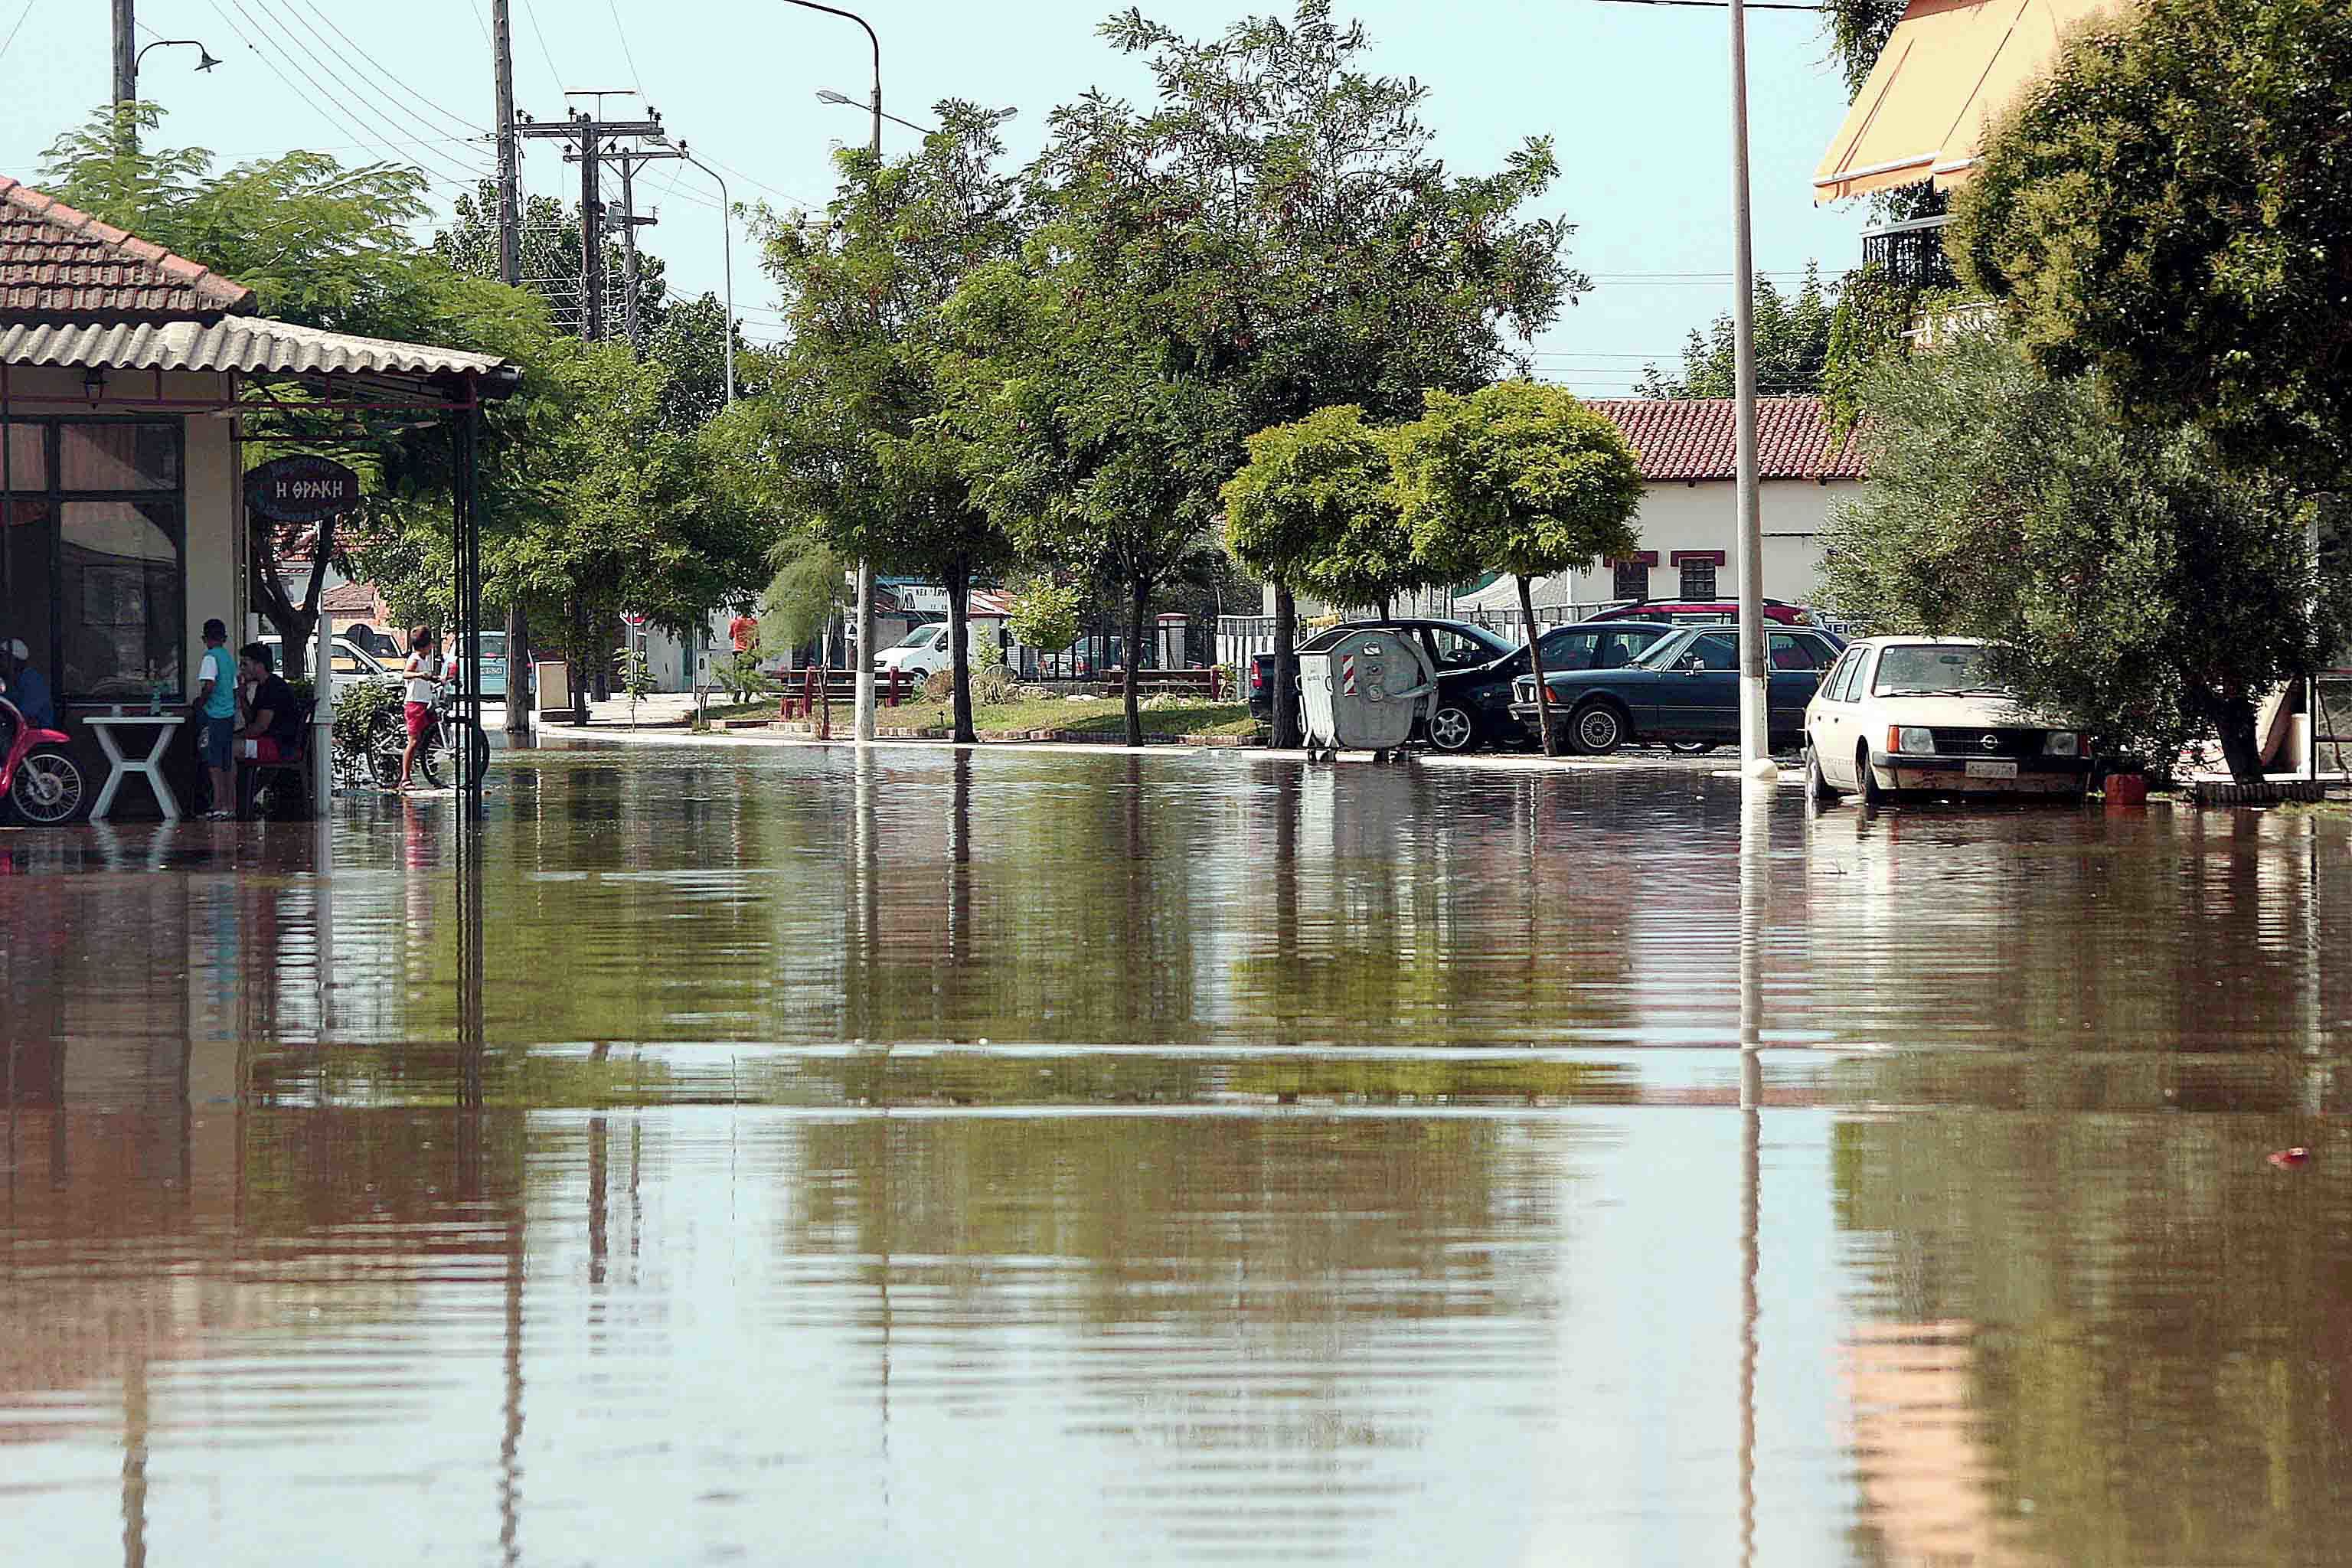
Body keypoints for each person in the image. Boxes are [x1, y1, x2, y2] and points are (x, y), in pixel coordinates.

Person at [234, 644, 304, 809]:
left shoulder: (274, 688)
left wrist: (235, 737)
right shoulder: (263, 686)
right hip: (273, 742)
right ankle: (242, 799)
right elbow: (252, 720)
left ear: (259, 665)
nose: (241, 669)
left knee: (227, 748)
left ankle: (233, 802)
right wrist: (243, 698)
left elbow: (260, 727)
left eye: (245, 664)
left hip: (278, 746)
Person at [188, 618, 238, 819]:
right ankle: (229, 805)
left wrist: (200, 702)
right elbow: (235, 689)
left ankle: (218, 806)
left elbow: (209, 685)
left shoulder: (210, 657)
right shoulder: (228, 658)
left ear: (204, 639)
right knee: (227, 762)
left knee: (214, 763)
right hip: (228, 715)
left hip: (214, 714)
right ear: (225, 638)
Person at [396, 625, 446, 792]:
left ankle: (430, 769)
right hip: (414, 704)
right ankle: (405, 778)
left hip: (426, 702)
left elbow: (427, 677)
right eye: (431, 644)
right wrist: (419, 675)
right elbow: (406, 674)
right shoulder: (415, 659)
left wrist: (439, 679)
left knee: (432, 734)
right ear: (426, 645)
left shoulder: (424, 660)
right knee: (414, 740)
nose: (433, 647)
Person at [0, 636, 54, 729]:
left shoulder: (32, 681)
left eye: (2, 658)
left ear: (14, 660)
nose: (0, 662)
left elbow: (22, 716)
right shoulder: (10, 681)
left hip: (38, 737)